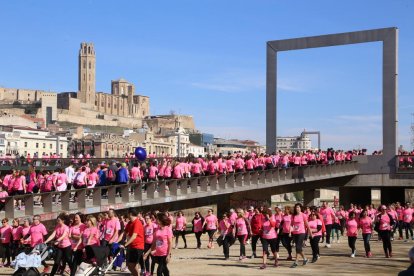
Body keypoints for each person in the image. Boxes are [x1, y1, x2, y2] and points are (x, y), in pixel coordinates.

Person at [120, 208, 145, 276]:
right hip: (131, 246)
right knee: (129, 265)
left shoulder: (137, 222)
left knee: (132, 265)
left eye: (127, 213)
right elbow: (124, 232)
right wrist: (118, 241)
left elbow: (134, 236)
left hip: (138, 247)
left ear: (130, 214)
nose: (127, 215)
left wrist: (125, 245)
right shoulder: (130, 222)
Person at [290, 203, 310, 268]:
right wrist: (290, 231)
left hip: (301, 232)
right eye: (296, 207)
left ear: (300, 208)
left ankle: (296, 262)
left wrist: (310, 233)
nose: (297, 208)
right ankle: (305, 259)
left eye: (298, 207)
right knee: (299, 248)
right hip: (295, 233)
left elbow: (307, 224)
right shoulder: (293, 216)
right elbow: (291, 224)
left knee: (298, 247)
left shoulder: (303, 215)